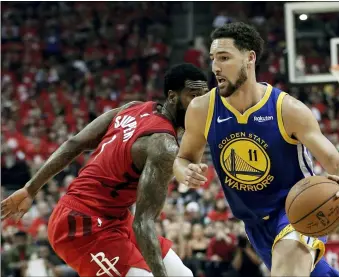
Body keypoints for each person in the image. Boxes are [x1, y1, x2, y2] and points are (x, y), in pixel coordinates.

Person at [173, 22, 339, 277]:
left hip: (298, 209)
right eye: (213, 58)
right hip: (254, 223)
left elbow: (335, 162)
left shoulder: (287, 109)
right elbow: (183, 158)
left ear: (250, 58)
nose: (216, 67)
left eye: (225, 58)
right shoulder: (201, 109)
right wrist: (184, 171)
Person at [1, 63, 209, 277]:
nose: (200, 104)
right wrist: (30, 189)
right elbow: (143, 223)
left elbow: (74, 144)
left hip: (115, 218)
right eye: (193, 96)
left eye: (204, 97)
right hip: (80, 224)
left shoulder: (133, 107)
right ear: (173, 97)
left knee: (184, 275)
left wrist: (30, 189)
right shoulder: (163, 145)